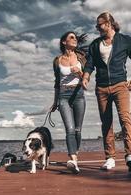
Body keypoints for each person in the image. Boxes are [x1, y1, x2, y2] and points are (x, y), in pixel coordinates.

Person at [82, 11, 131, 172]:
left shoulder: (125, 40)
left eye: (99, 25)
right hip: (101, 87)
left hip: (120, 85)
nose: (97, 28)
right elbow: (89, 64)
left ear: (109, 24)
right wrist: (86, 77)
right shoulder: (95, 44)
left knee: (125, 118)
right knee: (106, 122)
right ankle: (110, 158)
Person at [51, 31, 87, 174]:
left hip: (78, 94)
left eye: (75, 37)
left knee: (78, 130)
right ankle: (73, 159)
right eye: (71, 37)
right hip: (63, 96)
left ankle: (74, 153)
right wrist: (55, 102)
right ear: (64, 42)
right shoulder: (57, 61)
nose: (75, 39)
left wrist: (80, 73)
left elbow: (86, 81)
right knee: (70, 129)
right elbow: (56, 82)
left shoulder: (81, 58)